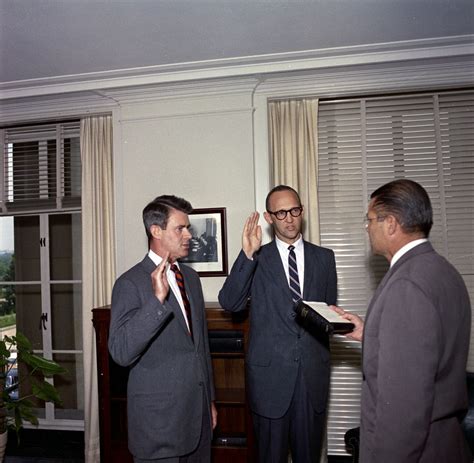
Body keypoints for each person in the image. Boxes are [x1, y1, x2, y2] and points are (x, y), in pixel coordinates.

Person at [332, 179, 472, 463]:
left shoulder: (406, 285)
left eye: (370, 219)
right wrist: (369, 332)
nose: (367, 227)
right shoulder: (444, 271)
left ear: (391, 223)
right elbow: (426, 346)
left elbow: (403, 410)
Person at [218, 185, 337, 462]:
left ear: (302, 212)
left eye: (294, 210)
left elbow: (327, 316)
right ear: (269, 218)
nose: (289, 218)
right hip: (270, 381)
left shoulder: (325, 258)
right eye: (281, 212)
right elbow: (230, 303)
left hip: (312, 378)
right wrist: (247, 254)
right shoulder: (258, 258)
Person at [108, 195, 217, 463]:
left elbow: (200, 348)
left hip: (198, 418)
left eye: (188, 228)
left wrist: (210, 402)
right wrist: (156, 302)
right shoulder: (129, 283)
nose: (189, 235)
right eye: (180, 228)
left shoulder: (191, 278)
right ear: (156, 231)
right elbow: (121, 352)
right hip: (159, 427)